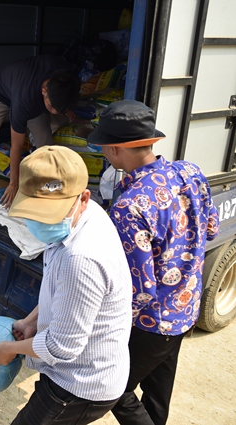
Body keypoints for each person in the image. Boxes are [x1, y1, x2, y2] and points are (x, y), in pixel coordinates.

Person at [87, 100, 220, 425]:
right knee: (158, 392)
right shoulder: (190, 171)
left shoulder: (130, 207)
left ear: (115, 149)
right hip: (185, 309)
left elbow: (141, 289)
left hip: (152, 322)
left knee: (114, 389)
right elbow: (212, 228)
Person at [0, 145, 133, 424]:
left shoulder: (81, 259)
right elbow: (65, 294)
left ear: (83, 198)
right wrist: (32, 321)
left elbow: (61, 347)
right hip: (78, 371)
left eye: (53, 212)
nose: (43, 222)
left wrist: (9, 349)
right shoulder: (87, 215)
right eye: (35, 211)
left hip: (79, 384)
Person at [0, 55, 80, 210]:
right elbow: (16, 146)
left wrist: (66, 108)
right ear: (44, 91)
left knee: (46, 145)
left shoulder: (67, 77)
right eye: (52, 107)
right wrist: (13, 184)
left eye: (59, 109)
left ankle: (50, 190)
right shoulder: (24, 100)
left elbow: (62, 98)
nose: (54, 112)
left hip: (28, 95)